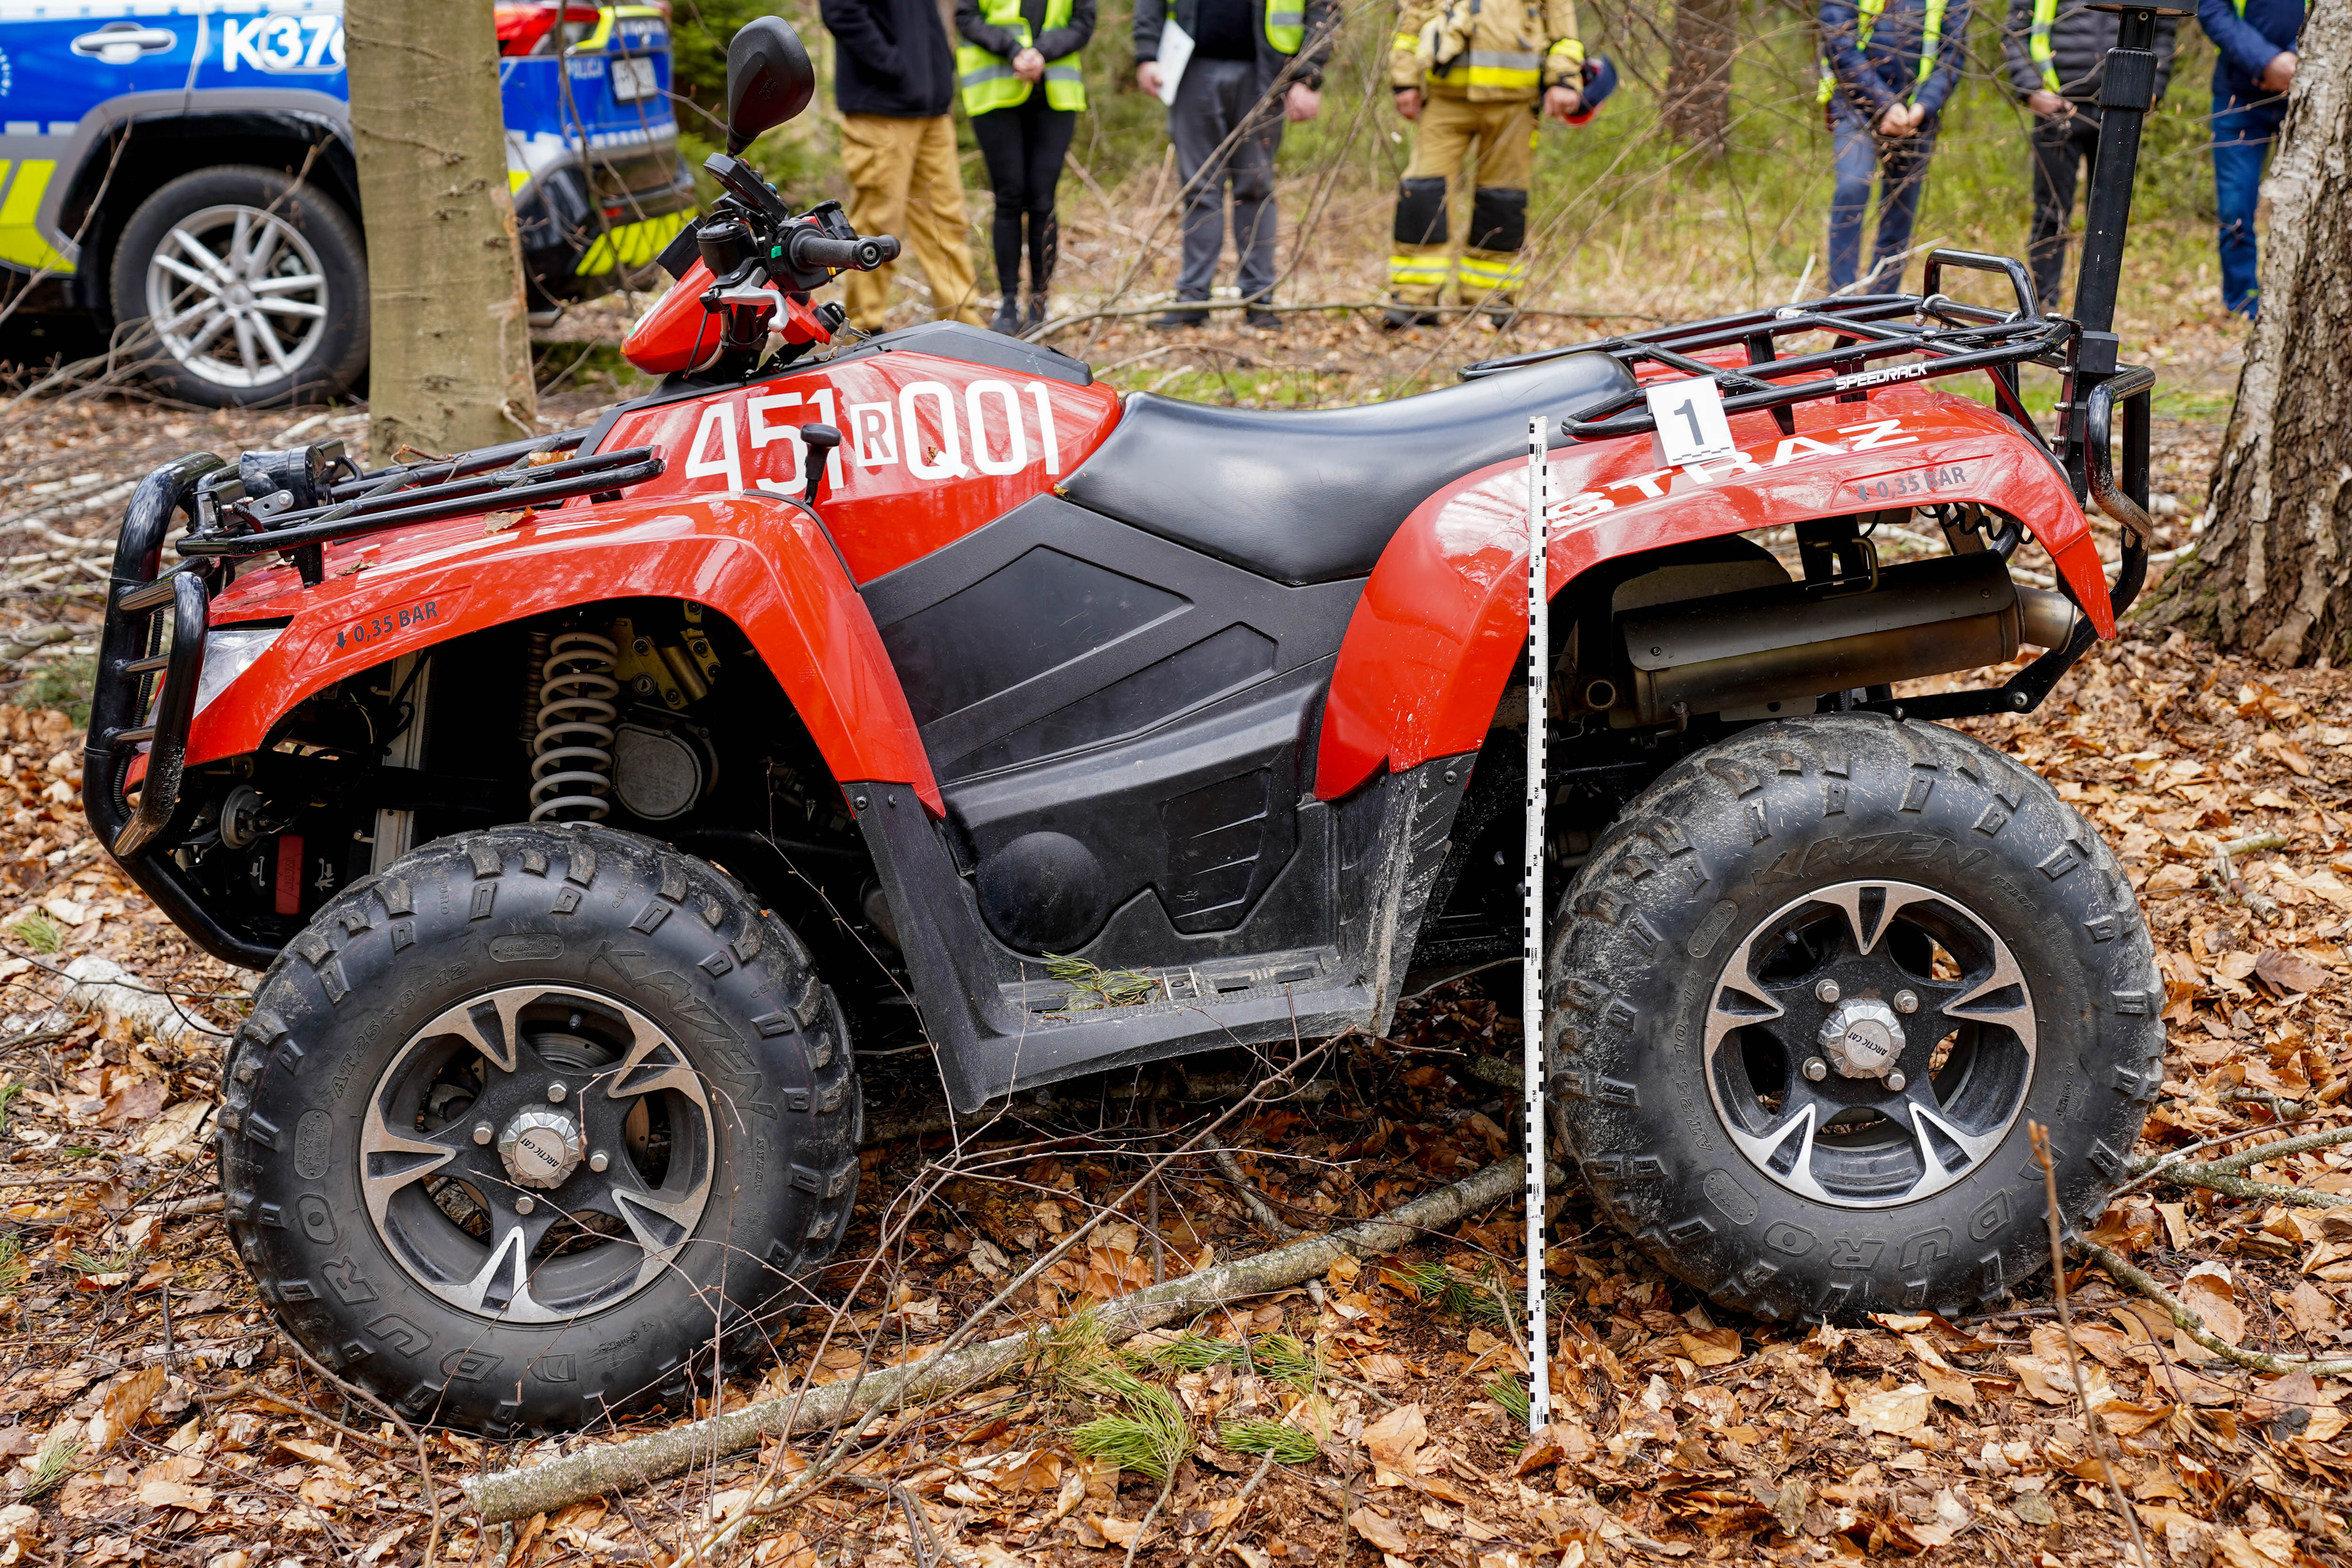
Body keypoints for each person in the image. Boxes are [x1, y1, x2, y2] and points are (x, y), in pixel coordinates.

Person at [1134, 0, 1339, 331]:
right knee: (1199, 189)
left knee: (1255, 187)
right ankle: (1193, 300)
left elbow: (1324, 8)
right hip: (1190, 68)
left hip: (1266, 74)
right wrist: (1146, 54)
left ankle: (1258, 300)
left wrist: (1310, 74)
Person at [1383, 0, 1586, 330]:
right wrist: (1404, 81)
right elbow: (1409, 25)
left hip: (1516, 103)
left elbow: (1565, 35)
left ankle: (1492, 300)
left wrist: (1564, 80)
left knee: (1503, 200)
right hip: (1444, 97)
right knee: (1422, 193)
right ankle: (1412, 299)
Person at [819, 0, 987, 332]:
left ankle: (964, 327)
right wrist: (893, 65)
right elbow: (841, 10)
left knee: (946, 220)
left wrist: (937, 69)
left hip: (933, 110)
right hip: (880, 109)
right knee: (877, 223)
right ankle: (863, 330)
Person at [2002, 0, 2176, 313]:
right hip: (2057, 108)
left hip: (2122, 108)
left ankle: (2097, 309)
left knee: (2110, 215)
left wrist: (2153, 86)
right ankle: (2043, 306)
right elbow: (2015, 31)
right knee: (2051, 212)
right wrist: (2031, 90)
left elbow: (2163, 31)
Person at [957, 0, 1096, 335]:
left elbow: (1083, 21)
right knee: (1008, 197)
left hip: (1055, 96)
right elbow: (966, 16)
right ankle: (1008, 302)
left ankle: (1039, 301)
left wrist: (1042, 53)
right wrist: (1013, 51)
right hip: (996, 93)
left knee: (1043, 200)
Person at [1817, 0, 1972, 293]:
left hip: (1917, 113)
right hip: (1854, 103)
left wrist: (1922, 108)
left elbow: (1952, 56)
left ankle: (1882, 303)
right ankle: (1841, 298)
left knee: (1900, 209)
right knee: (1852, 186)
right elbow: (1838, 42)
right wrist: (1886, 104)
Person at [2197, 0, 2305, 318]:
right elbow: (2213, 10)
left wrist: (2297, 61)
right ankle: (2243, 305)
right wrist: (2265, 61)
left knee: (2309, 208)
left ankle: (2297, 303)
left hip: (2310, 93)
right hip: (2237, 95)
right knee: (2236, 209)